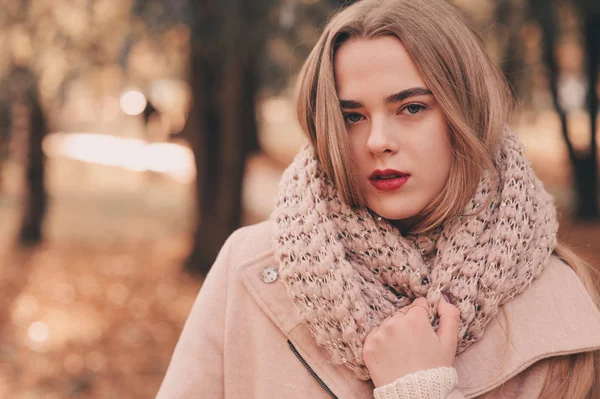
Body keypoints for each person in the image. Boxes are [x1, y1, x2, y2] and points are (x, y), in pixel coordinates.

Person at [156, 0, 600, 397]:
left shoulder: (566, 308)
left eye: (411, 108)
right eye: (352, 116)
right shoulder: (249, 272)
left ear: (468, 113)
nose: (378, 141)